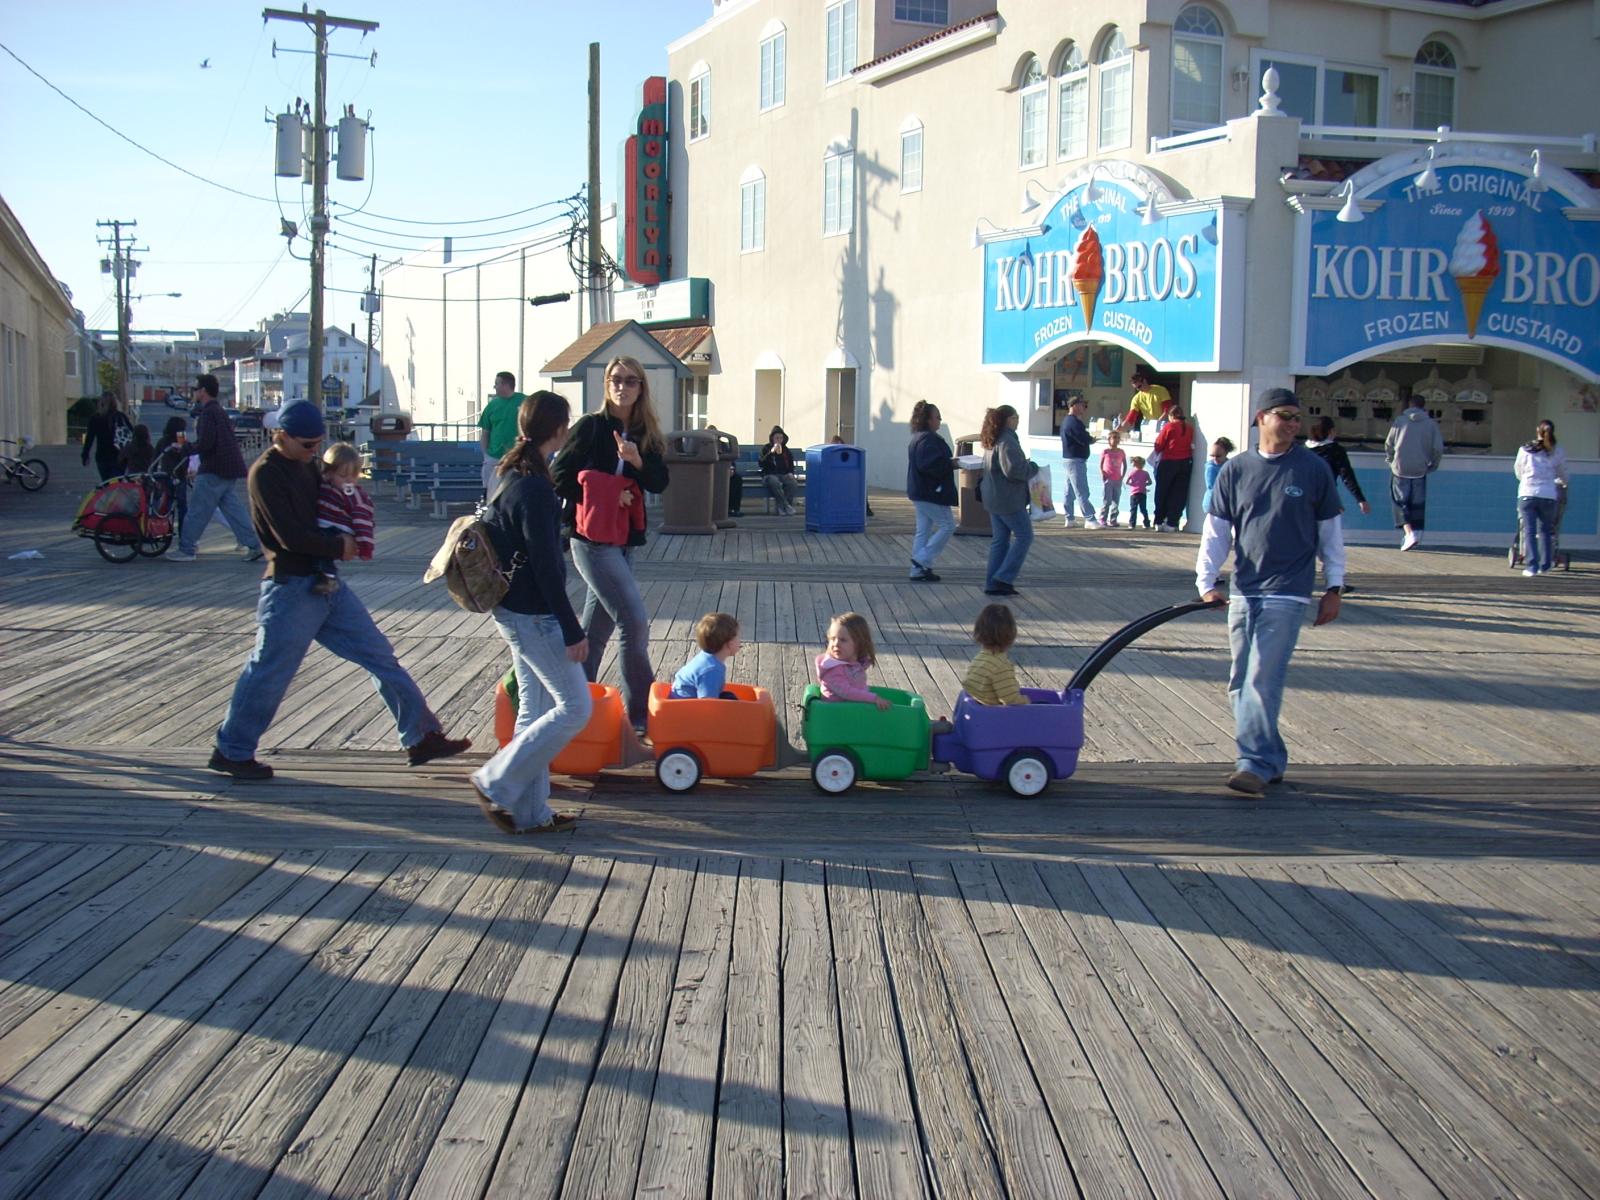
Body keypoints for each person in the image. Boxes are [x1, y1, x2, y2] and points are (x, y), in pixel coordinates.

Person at [209, 401, 471, 781]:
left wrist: (356, 512)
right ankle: (231, 750)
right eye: (307, 445)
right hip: (290, 588)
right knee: (269, 671)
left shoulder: (306, 464)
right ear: (281, 435)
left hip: (326, 583)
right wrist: (340, 545)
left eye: (318, 444)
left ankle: (421, 737)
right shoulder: (265, 474)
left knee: (380, 656)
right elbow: (289, 536)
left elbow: (334, 500)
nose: (314, 451)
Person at [1197, 388, 1344, 796]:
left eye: (1298, 417)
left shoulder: (1313, 469)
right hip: (1245, 588)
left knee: (1262, 676)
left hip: (1289, 590)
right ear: (1261, 417)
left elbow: (1330, 534)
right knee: (1240, 681)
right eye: (1285, 416)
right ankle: (1271, 757)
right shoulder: (1236, 469)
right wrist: (1206, 583)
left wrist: (1334, 587)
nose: (1294, 424)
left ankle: (1254, 763)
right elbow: (1216, 532)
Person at [470, 391, 591, 835]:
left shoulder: (508, 473)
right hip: (533, 616)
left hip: (511, 609)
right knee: (575, 708)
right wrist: (572, 629)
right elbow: (545, 567)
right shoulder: (536, 488)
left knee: (534, 708)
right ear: (558, 431)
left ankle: (530, 814)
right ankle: (495, 780)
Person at [551, 354, 670, 730]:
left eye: (631, 380)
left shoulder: (646, 432)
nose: (622, 386)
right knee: (633, 624)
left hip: (623, 541)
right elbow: (558, 475)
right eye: (616, 379)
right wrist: (604, 496)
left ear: (641, 387)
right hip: (590, 540)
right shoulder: (591, 427)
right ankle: (642, 717)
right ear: (606, 384)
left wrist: (636, 462)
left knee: (595, 632)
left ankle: (575, 704)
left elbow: (659, 481)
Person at [169, 374, 264, 563]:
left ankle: (187, 549)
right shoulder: (219, 411)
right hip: (229, 467)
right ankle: (254, 544)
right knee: (234, 511)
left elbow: (206, 443)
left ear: (203, 391)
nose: (194, 392)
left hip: (214, 468)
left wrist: (184, 448)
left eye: (195, 389)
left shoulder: (207, 413)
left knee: (198, 510)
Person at [980, 404, 1038, 597]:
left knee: (1000, 541)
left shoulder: (993, 439)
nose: (1018, 420)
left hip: (993, 497)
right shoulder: (1007, 441)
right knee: (1025, 536)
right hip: (1008, 500)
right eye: (1015, 417)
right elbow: (1013, 470)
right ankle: (1003, 578)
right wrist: (1032, 468)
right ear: (1007, 420)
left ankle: (992, 583)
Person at [312, 442, 376, 595]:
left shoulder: (354, 495)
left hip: (338, 528)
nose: (348, 480)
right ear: (329, 473)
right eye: (342, 476)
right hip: (326, 523)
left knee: (323, 548)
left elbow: (362, 520)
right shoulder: (326, 486)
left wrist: (365, 546)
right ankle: (324, 574)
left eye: (353, 476)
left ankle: (328, 576)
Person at [1384, 394, 1443, 551]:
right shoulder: (1431, 424)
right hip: (1420, 469)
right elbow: (1438, 448)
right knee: (1417, 504)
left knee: (1399, 502)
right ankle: (1416, 533)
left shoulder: (1400, 421)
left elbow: (1389, 443)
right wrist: (1433, 465)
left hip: (1399, 468)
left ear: (1409, 405)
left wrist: (1390, 460)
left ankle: (1409, 533)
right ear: (1424, 406)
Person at [906, 400, 957, 582]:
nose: (940, 420)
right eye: (937, 417)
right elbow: (929, 465)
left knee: (923, 530)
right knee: (948, 525)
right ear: (928, 420)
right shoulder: (928, 440)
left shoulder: (919, 437)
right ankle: (922, 560)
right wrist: (951, 464)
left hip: (920, 491)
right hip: (931, 492)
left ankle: (917, 571)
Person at [1514, 419, 1568, 577]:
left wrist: (1526, 480)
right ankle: (1545, 565)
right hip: (1548, 494)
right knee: (1546, 531)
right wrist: (1563, 482)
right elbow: (1563, 472)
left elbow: (1518, 471)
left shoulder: (1525, 449)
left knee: (1529, 531)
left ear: (1538, 431)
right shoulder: (1557, 450)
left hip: (1527, 493)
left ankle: (1531, 566)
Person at [814, 612, 890, 710]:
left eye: (843, 640)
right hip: (835, 713)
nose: (836, 644)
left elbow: (857, 670)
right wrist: (873, 698)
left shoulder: (852, 662)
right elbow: (847, 692)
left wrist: (862, 657)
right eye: (832, 639)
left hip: (852, 710)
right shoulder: (832, 669)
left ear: (859, 643)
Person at [964, 603, 1028, 706]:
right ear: (1011, 634)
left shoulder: (980, 658)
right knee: (1042, 705)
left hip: (980, 705)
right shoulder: (1001, 665)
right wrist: (1027, 701)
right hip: (995, 712)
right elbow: (1011, 700)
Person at [1305, 416, 1370, 516]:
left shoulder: (1302, 451)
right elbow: (1347, 476)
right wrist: (1360, 499)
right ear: (1330, 431)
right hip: (1327, 498)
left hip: (1304, 498)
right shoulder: (1336, 450)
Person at [671, 612, 742, 698]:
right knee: (731, 700)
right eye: (738, 637)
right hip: (684, 706)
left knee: (729, 696)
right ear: (730, 644)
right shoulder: (711, 671)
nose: (740, 641)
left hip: (684, 699)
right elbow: (707, 703)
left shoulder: (707, 658)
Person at [478, 371, 523, 496]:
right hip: (494, 456)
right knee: (490, 492)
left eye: (497, 384)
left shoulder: (524, 402)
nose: (495, 387)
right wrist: (486, 454)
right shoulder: (492, 406)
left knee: (514, 490)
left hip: (517, 456)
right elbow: (485, 432)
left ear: (505, 385)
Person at [1152, 405, 1196, 532]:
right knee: (1179, 494)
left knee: (1162, 492)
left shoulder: (1169, 426)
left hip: (1168, 462)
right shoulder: (1189, 428)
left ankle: (1159, 520)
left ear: (1171, 416)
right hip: (1185, 462)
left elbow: (1158, 446)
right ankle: (1172, 522)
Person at [1058, 395, 1100, 528]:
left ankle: (1069, 518)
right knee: (1081, 490)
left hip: (1069, 459)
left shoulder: (1067, 421)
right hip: (1076, 460)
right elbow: (1082, 437)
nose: (1084, 408)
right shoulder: (1074, 422)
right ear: (1074, 405)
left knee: (1069, 490)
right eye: (1082, 405)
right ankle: (1090, 518)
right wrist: (1091, 439)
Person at [82, 392, 132, 482]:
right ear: (115, 403)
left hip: (102, 456)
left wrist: (85, 455)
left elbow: (89, 438)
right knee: (116, 484)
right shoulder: (121, 417)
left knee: (106, 483)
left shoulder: (95, 418)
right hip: (119, 456)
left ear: (101, 403)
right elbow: (132, 433)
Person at [153, 417, 191, 535]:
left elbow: (155, 459)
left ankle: (163, 528)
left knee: (166, 503)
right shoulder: (182, 441)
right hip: (179, 476)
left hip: (165, 475)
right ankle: (183, 532)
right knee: (182, 505)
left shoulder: (162, 441)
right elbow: (186, 457)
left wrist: (154, 476)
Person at [1118, 367, 1171, 436]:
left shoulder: (1161, 390)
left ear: (1144, 381)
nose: (1139, 389)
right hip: (1148, 424)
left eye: (1139, 386)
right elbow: (1131, 416)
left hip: (1162, 423)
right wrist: (1120, 428)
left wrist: (1157, 423)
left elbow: (1167, 410)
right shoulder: (1137, 398)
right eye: (1136, 388)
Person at [759, 426, 799, 515]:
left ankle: (783, 507)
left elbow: (791, 464)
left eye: (781, 438)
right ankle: (786, 506)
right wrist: (771, 453)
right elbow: (761, 463)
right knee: (774, 481)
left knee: (792, 483)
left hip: (783, 474)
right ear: (772, 438)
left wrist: (790, 473)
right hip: (769, 475)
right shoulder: (766, 448)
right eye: (777, 438)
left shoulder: (786, 450)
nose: (779, 440)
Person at [1099, 429, 1127, 526]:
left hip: (1117, 479)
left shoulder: (1121, 452)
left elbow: (1125, 465)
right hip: (1108, 478)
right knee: (1107, 500)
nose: (1116, 440)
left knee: (1116, 500)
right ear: (1109, 439)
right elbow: (1101, 465)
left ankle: (1113, 519)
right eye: (1114, 438)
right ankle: (1103, 518)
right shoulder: (1106, 452)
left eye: (1118, 438)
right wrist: (1102, 473)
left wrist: (1122, 476)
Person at [1202, 437, 1234, 515]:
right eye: (1212, 456)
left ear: (1226, 453)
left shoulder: (1230, 465)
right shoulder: (1211, 468)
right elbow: (1212, 488)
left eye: (1218, 456)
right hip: (1214, 504)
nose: (1215, 459)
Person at [1126, 455, 1152, 529]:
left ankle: (1132, 524)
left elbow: (1127, 482)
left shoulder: (1132, 473)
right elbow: (1150, 482)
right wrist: (1144, 484)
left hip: (1134, 493)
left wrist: (1133, 484)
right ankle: (1147, 523)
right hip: (1142, 493)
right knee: (1143, 509)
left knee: (1133, 509)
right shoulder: (1145, 473)